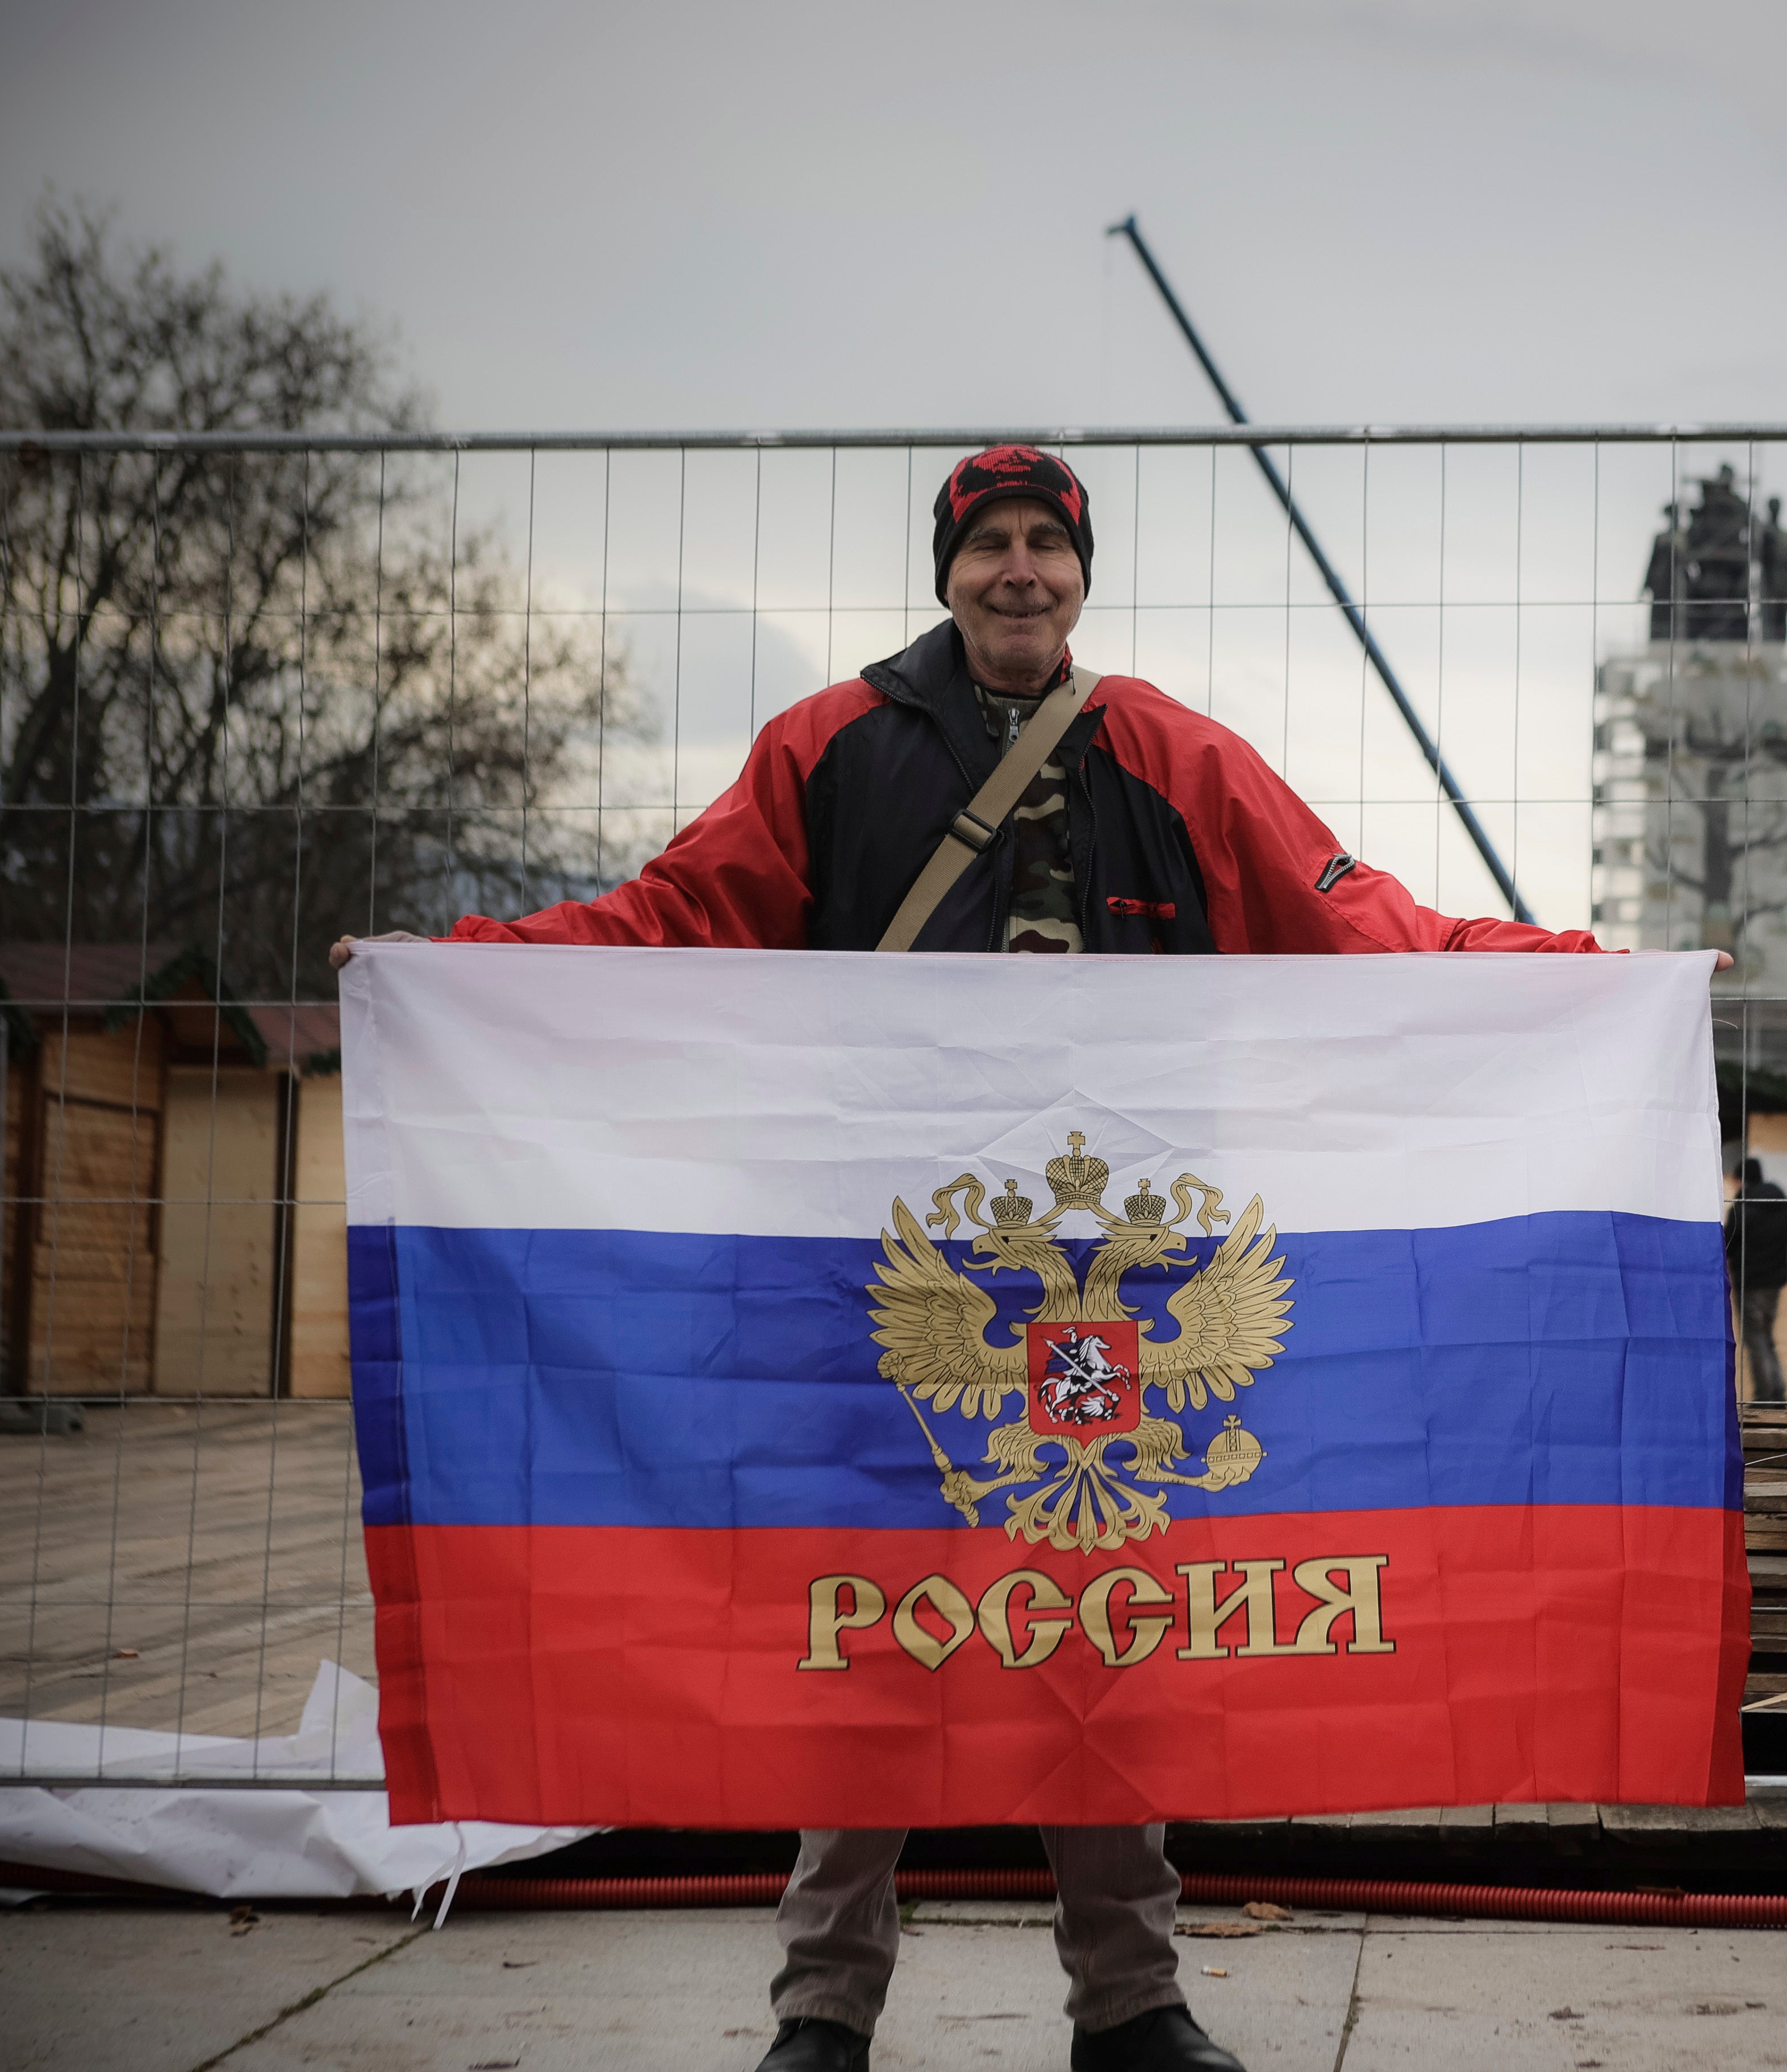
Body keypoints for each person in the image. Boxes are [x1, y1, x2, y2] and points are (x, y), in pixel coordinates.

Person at [335, 445, 1609, 2072]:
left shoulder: (1177, 758)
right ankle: (823, 2009)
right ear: (947, 572)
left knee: (1111, 1629)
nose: (1022, 572)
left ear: (1084, 575)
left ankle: (1133, 2004)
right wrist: (460, 966)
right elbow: (673, 914)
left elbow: (1361, 923)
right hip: (879, 1280)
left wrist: (1583, 975)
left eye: (1047, 547)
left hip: (1119, 1291)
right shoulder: (831, 748)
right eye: (991, 545)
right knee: (864, 1630)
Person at [1724, 1156, 1787, 1405]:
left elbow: (1728, 1244)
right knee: (1767, 1338)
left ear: (1741, 1180)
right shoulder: (1779, 1202)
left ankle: (1765, 1397)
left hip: (1750, 1282)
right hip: (1774, 1282)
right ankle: (1778, 1393)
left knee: (1755, 1340)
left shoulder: (1742, 1207)